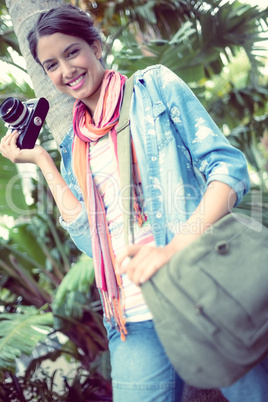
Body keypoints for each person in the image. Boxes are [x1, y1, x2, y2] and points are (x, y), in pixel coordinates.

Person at [0, 4, 267, 401]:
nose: (66, 71)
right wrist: (42, 160)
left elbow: (228, 172)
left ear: (96, 45)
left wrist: (173, 248)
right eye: (51, 64)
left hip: (200, 291)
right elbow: (93, 242)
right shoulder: (75, 144)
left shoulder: (152, 88)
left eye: (72, 52)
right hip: (130, 315)